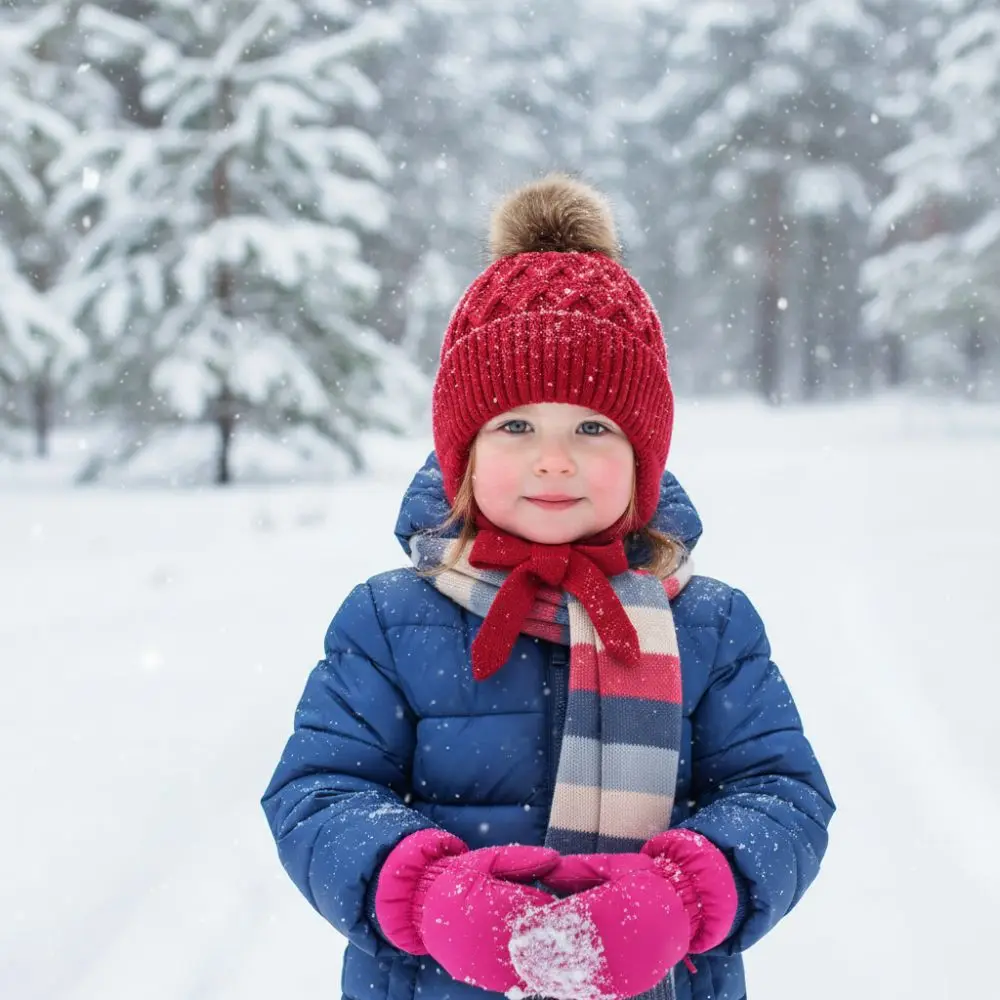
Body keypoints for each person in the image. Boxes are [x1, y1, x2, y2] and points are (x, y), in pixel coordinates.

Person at [262, 174, 834, 1000]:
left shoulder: (709, 624)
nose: (555, 460)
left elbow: (781, 794)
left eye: (593, 427)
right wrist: (426, 894)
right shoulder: (390, 619)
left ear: (643, 457)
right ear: (463, 455)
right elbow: (319, 792)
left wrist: (684, 895)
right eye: (517, 425)